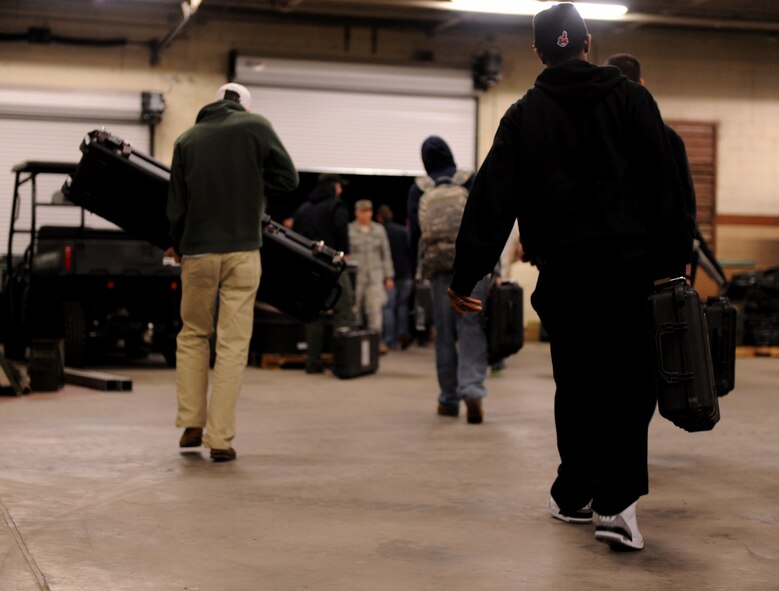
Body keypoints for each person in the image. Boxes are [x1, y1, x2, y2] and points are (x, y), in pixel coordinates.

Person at [448, 3, 693, 550]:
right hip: (631, 272)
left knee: (577, 381)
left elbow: (492, 197)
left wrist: (468, 275)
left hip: (565, 273)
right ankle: (618, 508)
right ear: (587, 42)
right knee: (630, 385)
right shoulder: (632, 99)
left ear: (539, 52)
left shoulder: (524, 114)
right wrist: (672, 268)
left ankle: (575, 493)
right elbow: (665, 187)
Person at [167, 82, 299, 462]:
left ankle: (191, 423)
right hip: (243, 251)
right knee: (232, 344)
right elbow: (289, 178)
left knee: (193, 334)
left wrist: (177, 242)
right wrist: (254, 186)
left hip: (197, 253)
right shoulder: (256, 127)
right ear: (244, 105)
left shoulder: (187, 139)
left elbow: (176, 207)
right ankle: (220, 439)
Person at [605, 53, 723, 286]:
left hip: (608, 257)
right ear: (642, 84)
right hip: (651, 259)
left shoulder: (596, 137)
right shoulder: (668, 138)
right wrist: (682, 268)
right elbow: (685, 208)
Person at [407, 135, 490, 425]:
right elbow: (487, 220)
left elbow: (414, 236)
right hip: (474, 267)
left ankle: (449, 399)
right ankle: (473, 390)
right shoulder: (469, 180)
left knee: (444, 334)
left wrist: (417, 269)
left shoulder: (419, 189)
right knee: (472, 328)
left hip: (439, 270)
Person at [292, 174, 355, 374]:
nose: (341, 190)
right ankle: (342, 361)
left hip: (309, 268)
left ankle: (313, 362)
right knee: (344, 307)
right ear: (331, 186)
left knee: (313, 312)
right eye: (338, 186)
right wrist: (345, 253)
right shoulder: (336, 207)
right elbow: (341, 231)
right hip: (332, 266)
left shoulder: (302, 209)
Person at [348, 200, 394, 352]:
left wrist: (389, 276)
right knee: (354, 309)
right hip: (357, 277)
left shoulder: (378, 230)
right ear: (357, 212)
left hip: (375, 275)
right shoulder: (349, 230)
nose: (366, 214)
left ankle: (375, 343)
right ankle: (354, 343)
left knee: (375, 310)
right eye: (363, 211)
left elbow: (386, 253)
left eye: (368, 211)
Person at [375, 204, 414, 350]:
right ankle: (403, 334)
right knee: (402, 306)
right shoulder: (402, 231)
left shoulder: (378, 232)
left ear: (379, 217)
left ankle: (390, 340)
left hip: (387, 277)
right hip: (405, 274)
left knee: (388, 308)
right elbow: (411, 253)